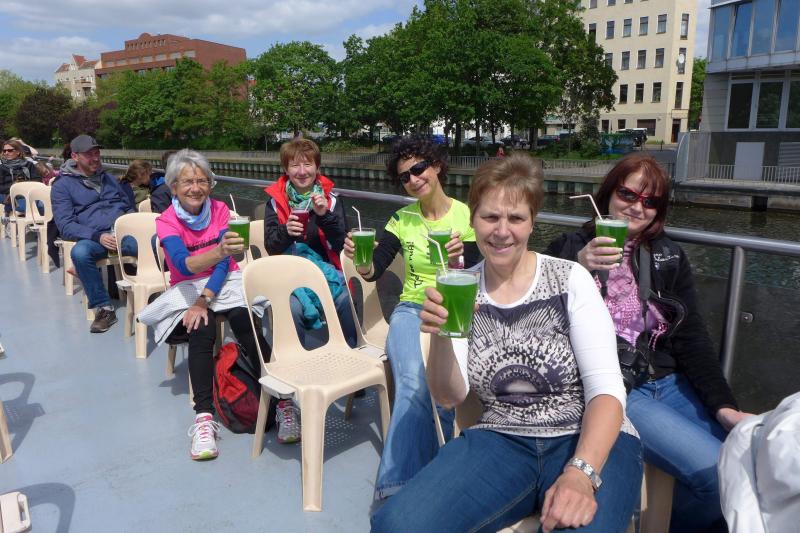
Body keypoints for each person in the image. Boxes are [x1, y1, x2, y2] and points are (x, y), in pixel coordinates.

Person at [372, 152, 642, 532]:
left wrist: (580, 473)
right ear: (472, 221)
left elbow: (607, 390)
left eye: (515, 218)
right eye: (490, 217)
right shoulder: (460, 286)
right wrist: (443, 336)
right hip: (502, 438)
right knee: (396, 525)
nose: (502, 231)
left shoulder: (569, 279)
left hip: (586, 437)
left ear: (532, 222)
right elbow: (449, 397)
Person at [544, 153, 751, 532]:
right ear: (609, 193)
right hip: (619, 388)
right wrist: (578, 265)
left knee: (744, 462)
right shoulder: (568, 247)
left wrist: (725, 408)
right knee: (718, 474)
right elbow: (537, 310)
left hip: (669, 382)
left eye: (650, 201)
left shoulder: (668, 256)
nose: (637, 207)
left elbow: (692, 339)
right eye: (628, 194)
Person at [343, 134, 480, 501]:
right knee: (412, 383)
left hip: (455, 307)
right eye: (405, 176)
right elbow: (375, 269)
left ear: (436, 166)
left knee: (444, 387)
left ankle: (430, 476)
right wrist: (363, 262)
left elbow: (481, 270)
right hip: (411, 310)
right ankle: (396, 487)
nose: (414, 179)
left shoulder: (468, 216)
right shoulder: (401, 220)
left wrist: (460, 256)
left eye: (419, 168)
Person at [138, 148, 271, 461]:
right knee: (202, 327)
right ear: (173, 187)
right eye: (187, 182)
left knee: (246, 321)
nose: (195, 188)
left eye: (202, 181)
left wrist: (206, 296)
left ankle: (280, 398)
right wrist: (218, 255)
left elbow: (225, 264)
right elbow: (184, 266)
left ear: (210, 184)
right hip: (187, 283)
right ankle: (203, 417)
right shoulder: (167, 221)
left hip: (221, 281)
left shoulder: (220, 210)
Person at [262, 137, 357, 444]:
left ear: (317, 167)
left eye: (307, 164)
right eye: (295, 165)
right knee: (291, 309)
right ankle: (293, 383)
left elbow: (342, 243)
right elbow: (270, 246)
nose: (302, 171)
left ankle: (350, 368)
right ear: (285, 169)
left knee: (345, 300)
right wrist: (285, 232)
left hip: (325, 273)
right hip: (289, 275)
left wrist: (325, 216)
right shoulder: (275, 202)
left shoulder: (331, 199)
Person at [51, 135, 136, 333]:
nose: (95, 158)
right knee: (80, 253)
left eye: (97, 153)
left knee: (158, 241)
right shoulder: (62, 186)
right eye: (89, 154)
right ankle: (104, 308)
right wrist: (98, 236)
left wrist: (133, 224)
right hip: (95, 238)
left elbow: (126, 205)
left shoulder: (109, 178)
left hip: (124, 235)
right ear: (75, 156)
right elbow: (65, 225)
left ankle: (164, 294)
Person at [1, 138, 41, 216]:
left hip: (28, 194)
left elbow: (38, 181)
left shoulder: (29, 165)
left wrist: (23, 185)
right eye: (4, 151)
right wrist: (15, 187)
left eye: (10, 150)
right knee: (25, 207)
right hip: (8, 195)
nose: (6, 153)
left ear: (18, 152)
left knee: (43, 206)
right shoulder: (2, 168)